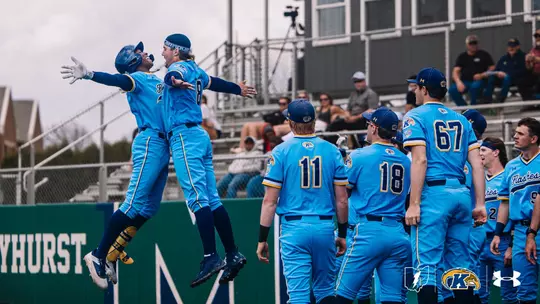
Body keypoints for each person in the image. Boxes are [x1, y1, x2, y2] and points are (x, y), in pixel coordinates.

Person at [61, 42, 171, 290]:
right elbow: (119, 81)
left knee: (150, 208)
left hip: (164, 145)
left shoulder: (155, 78)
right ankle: (98, 254)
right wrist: (90, 75)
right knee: (132, 203)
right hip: (151, 141)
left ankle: (113, 252)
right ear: (133, 61)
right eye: (139, 52)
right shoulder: (137, 78)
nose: (145, 52)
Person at [161, 33, 256, 287]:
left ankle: (211, 256)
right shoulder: (195, 68)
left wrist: (175, 80)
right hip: (200, 136)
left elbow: (172, 76)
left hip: (185, 135)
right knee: (212, 198)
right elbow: (214, 82)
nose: (163, 54)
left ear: (176, 51)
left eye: (165, 50)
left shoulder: (179, 67)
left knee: (196, 197)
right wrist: (238, 89)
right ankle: (232, 253)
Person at [403, 67, 486, 304]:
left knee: (426, 267)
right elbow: (477, 165)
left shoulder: (415, 116)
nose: (414, 91)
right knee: (460, 266)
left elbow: (420, 159)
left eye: (416, 87)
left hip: (434, 193)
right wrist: (479, 203)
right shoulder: (461, 119)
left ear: (423, 89)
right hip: (461, 192)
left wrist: (414, 204)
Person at [256, 99, 349, 304]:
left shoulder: (281, 151)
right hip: (325, 225)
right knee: (325, 291)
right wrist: (342, 234)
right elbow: (342, 200)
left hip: (294, 228)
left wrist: (263, 238)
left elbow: (269, 202)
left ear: (290, 122)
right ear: (314, 121)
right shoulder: (332, 150)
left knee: (298, 296)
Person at [335, 107, 411, 304]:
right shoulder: (406, 160)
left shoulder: (361, 155)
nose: (367, 128)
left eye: (369, 124)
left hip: (368, 231)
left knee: (341, 294)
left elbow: (343, 193)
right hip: (397, 232)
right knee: (392, 298)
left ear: (375, 128)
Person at [494, 117, 540, 304]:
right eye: (515, 133)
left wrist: (532, 233)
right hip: (521, 231)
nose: (515, 136)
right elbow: (505, 203)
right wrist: (498, 233)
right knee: (524, 291)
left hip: (535, 229)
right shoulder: (511, 166)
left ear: (534, 138)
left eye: (520, 133)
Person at [477, 137, 517, 304]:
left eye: (483, 150)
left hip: (502, 240)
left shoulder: (507, 177)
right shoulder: (478, 180)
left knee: (509, 294)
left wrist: (511, 245)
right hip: (479, 240)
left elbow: (514, 212)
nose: (479, 154)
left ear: (496, 152)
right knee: (479, 294)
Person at [449, 35, 495, 106]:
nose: (473, 45)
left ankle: (474, 108)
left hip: (480, 81)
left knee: (474, 87)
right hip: (465, 81)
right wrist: (458, 82)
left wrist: (482, 75)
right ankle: (464, 109)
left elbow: (492, 68)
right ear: (467, 45)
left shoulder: (484, 54)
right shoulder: (462, 57)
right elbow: (455, 71)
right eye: (471, 44)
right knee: (452, 90)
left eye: (475, 43)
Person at [486, 38, 532, 103]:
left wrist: (507, 74)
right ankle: (488, 100)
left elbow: (523, 71)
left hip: (516, 79)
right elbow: (497, 69)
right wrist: (498, 73)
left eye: (513, 46)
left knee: (507, 78)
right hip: (502, 78)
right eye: (510, 46)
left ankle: (500, 100)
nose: (511, 48)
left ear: (518, 47)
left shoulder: (523, 57)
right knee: (492, 78)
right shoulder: (503, 58)